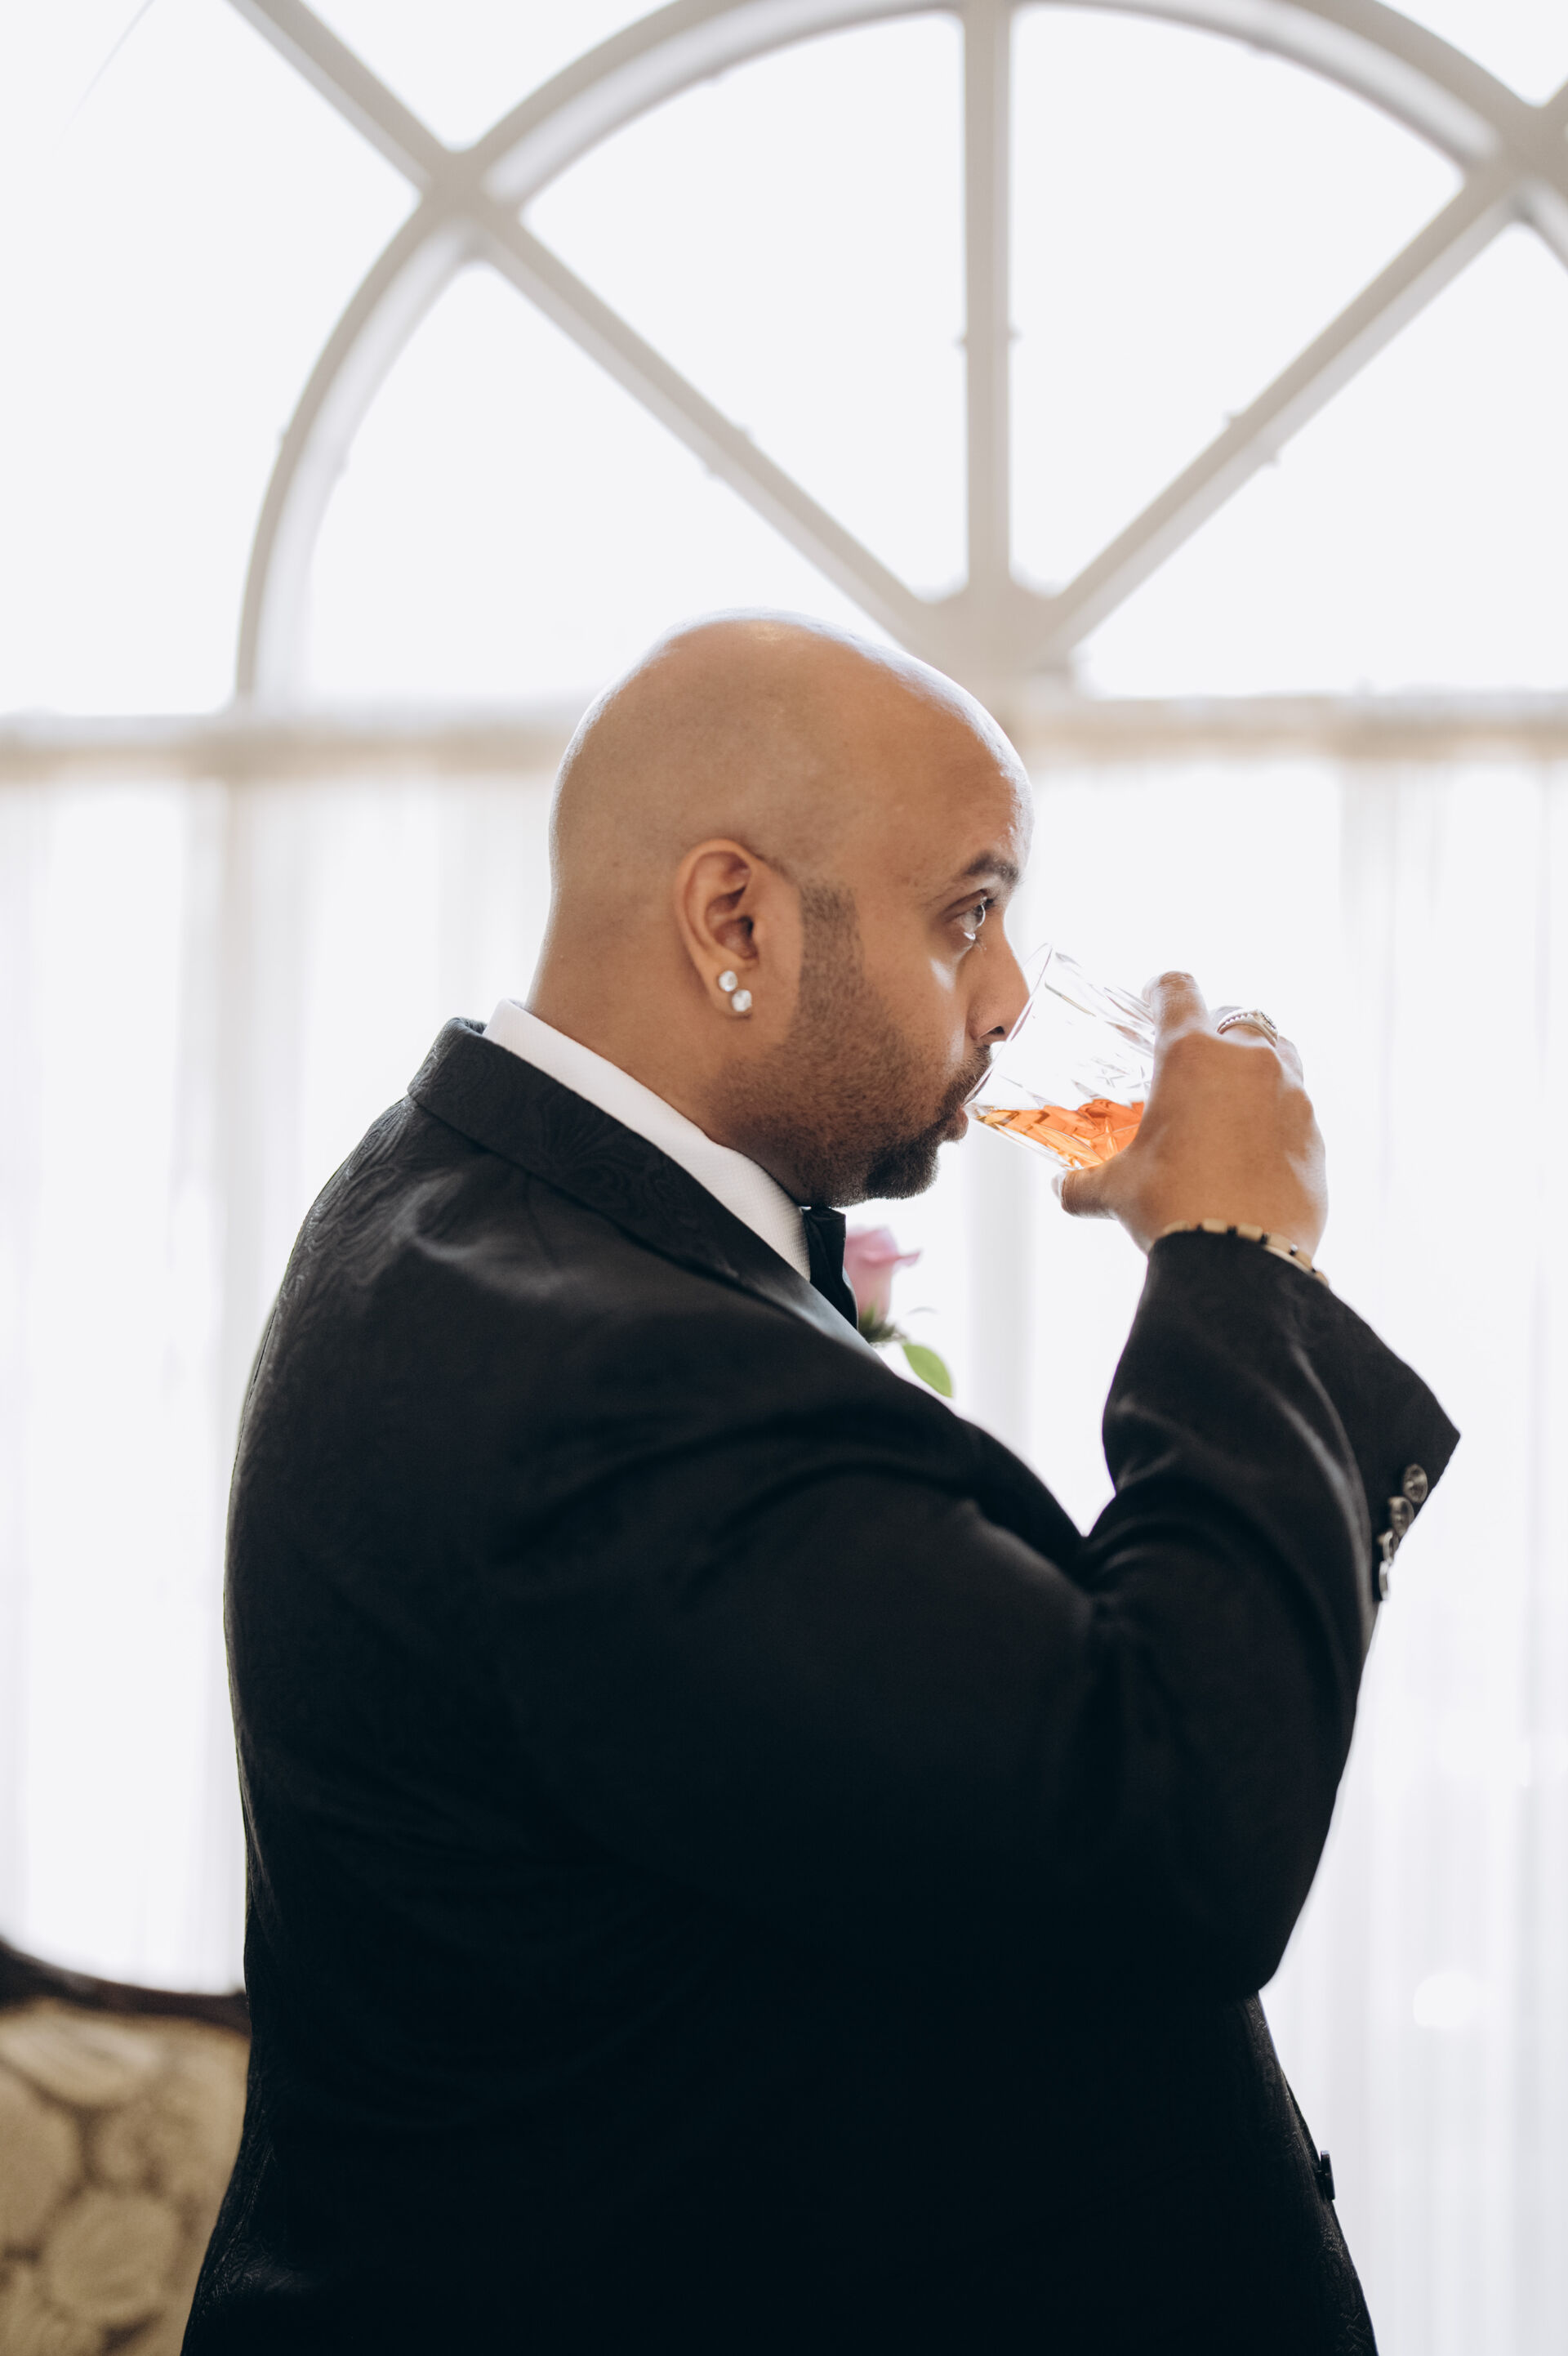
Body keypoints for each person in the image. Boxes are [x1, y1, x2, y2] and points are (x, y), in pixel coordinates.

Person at [185, 615, 1456, 2354]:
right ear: (737, 920)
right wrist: (1236, 1259)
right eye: (966, 913)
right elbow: (1167, 1830)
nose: (1008, 997)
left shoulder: (469, 1200)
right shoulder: (607, 1372)